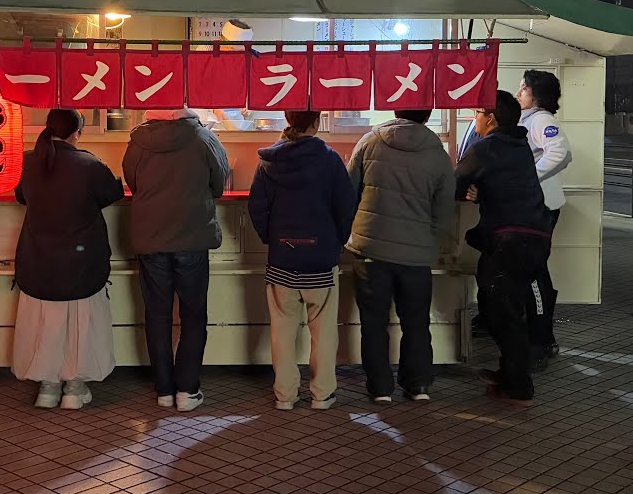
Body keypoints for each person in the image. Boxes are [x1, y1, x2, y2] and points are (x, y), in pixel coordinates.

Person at [10, 109, 125, 410]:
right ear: (76, 133)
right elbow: (113, 194)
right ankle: (75, 388)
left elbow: (21, 196)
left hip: (39, 261)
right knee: (81, 322)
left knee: (43, 323)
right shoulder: (88, 165)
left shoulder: (28, 161)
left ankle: (47, 389)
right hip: (81, 265)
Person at [123, 107, 232, 411]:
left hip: (150, 238)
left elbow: (133, 184)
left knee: (156, 315)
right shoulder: (204, 138)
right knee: (193, 315)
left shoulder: (138, 142)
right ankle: (187, 390)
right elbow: (219, 184)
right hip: (192, 237)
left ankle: (164, 390)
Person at [248, 111, 357, 411]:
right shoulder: (330, 160)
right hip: (321, 261)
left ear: (287, 118)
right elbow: (346, 206)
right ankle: (322, 395)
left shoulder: (269, 161)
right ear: (317, 122)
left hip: (282, 260)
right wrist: (335, 242)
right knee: (323, 333)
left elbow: (257, 207)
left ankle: (285, 396)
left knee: (282, 331)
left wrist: (273, 239)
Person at [346, 110, 456, 403]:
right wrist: (427, 241)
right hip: (417, 255)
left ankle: (380, 388)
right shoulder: (437, 153)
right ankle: (418, 384)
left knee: (373, 321)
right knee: (417, 321)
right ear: (427, 114)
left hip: (371, 250)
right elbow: (444, 212)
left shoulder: (369, 142)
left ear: (395, 110)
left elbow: (348, 192)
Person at [455, 91, 555, 407]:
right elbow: (508, 187)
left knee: (501, 310)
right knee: (503, 306)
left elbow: (454, 185)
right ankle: (510, 372)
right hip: (536, 236)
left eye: (477, 113)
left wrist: (470, 190)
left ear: (491, 118)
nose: (475, 119)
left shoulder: (485, 148)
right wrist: (481, 193)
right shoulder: (519, 148)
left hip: (510, 240)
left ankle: (519, 386)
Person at [516, 70, 572, 370]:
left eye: (523, 88)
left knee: (535, 273)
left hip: (542, 207)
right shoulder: (529, 119)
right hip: (534, 205)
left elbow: (561, 154)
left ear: (536, 94)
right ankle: (540, 336)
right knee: (533, 272)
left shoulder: (542, 120)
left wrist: (528, 176)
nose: (519, 92)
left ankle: (542, 341)